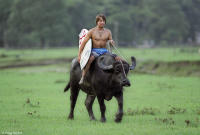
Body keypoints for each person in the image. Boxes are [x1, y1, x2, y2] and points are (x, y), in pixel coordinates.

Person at [78, 14, 121, 85]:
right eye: (100, 21)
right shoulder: (91, 31)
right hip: (95, 51)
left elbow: (111, 42)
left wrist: (111, 42)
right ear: (97, 22)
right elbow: (83, 43)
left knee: (117, 58)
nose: (102, 22)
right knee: (90, 59)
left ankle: (120, 77)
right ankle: (83, 77)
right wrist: (79, 55)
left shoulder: (108, 32)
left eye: (103, 21)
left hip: (105, 51)